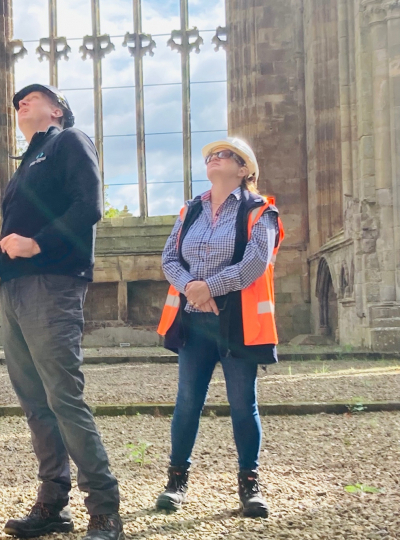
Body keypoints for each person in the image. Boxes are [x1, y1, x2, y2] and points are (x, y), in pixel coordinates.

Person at [0, 84, 122, 540]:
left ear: (57, 109)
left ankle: (105, 509)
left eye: (32, 97)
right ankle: (53, 502)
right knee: (36, 403)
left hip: (53, 288)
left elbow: (88, 206)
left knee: (63, 398)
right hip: (17, 291)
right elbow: (18, 245)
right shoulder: (25, 167)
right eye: (17, 100)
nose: (20, 102)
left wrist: (38, 243)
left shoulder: (69, 142)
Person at [155, 137, 284, 518]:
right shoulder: (189, 211)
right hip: (194, 324)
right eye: (210, 156)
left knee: (244, 405)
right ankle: (175, 483)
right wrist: (194, 292)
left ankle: (250, 486)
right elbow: (168, 258)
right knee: (187, 403)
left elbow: (254, 263)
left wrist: (207, 288)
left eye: (224, 155)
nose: (214, 158)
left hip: (238, 324)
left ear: (244, 169)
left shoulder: (262, 212)